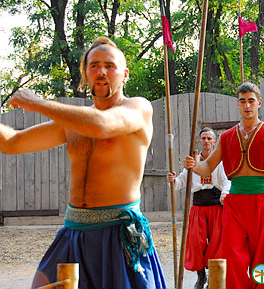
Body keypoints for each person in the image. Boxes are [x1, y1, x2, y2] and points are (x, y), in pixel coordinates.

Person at [0, 36, 166, 289]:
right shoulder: (72, 125)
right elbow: (12, 142)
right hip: (73, 232)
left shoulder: (138, 108)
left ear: (125, 74)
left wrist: (39, 103)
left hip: (117, 233)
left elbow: (102, 125)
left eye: (110, 66)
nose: (101, 71)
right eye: (94, 65)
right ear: (85, 75)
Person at [184, 82, 264, 289]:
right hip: (234, 204)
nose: (247, 106)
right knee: (233, 258)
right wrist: (194, 166)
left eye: (251, 101)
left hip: (263, 202)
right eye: (243, 101)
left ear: (259, 103)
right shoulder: (227, 137)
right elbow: (207, 167)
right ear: (238, 104)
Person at [167, 127, 230, 289]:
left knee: (217, 242)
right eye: (204, 138)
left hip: (216, 206)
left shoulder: (219, 161)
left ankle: (213, 276)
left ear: (215, 142)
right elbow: (181, 182)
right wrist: (173, 180)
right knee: (196, 243)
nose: (207, 141)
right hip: (198, 207)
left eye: (210, 138)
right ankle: (200, 276)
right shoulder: (192, 162)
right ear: (200, 141)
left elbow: (226, 182)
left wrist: (225, 193)